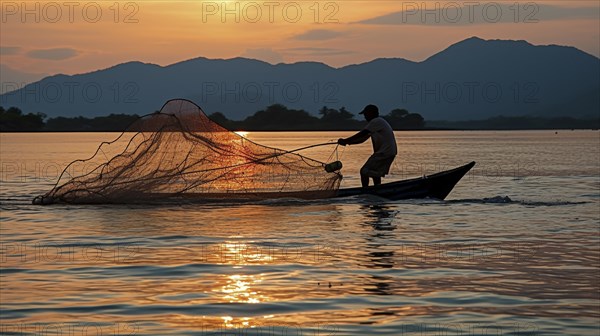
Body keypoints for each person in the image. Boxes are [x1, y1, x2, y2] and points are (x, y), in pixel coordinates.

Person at [338, 104, 397, 188]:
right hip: (388, 152)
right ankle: (378, 189)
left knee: (364, 171)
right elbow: (362, 139)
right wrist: (348, 143)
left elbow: (362, 133)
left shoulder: (376, 121)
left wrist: (345, 140)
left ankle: (365, 191)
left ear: (371, 113)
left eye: (366, 114)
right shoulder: (376, 124)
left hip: (384, 152)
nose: (365, 117)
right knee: (374, 172)